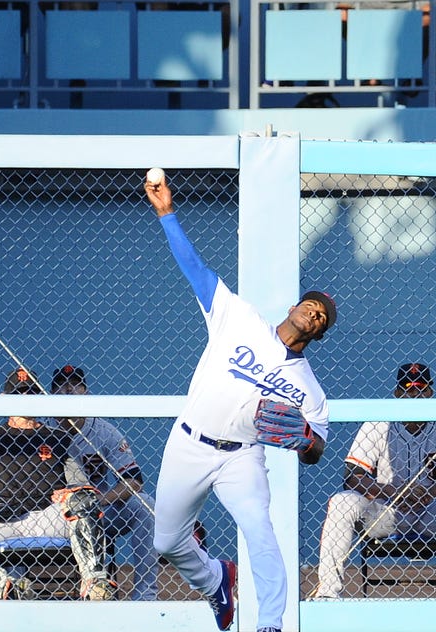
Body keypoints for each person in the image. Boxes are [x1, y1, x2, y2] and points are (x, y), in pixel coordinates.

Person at [143, 171, 335, 632]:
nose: (314, 313)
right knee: (167, 541)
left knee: (259, 530)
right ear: (293, 307)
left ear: (320, 333)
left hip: (242, 458)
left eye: (322, 318)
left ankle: (270, 623)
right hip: (189, 443)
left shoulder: (309, 387)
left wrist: (305, 439)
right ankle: (217, 581)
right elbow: (196, 269)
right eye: (310, 306)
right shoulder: (239, 318)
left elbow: (317, 448)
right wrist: (167, 212)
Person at [0, 367, 116, 600]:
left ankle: (94, 582)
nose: (26, 399)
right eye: (19, 393)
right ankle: (9, 588)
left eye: (32, 393)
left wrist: (69, 493)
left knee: (83, 499)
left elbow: (83, 489)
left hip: (47, 517)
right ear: (4, 400)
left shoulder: (59, 438)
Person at [314, 362, 436, 599]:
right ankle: (328, 593)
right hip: (387, 510)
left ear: (431, 393)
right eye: (408, 389)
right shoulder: (379, 422)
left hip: (434, 511)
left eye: (421, 388)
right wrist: (391, 491)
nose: (414, 394)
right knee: (343, 502)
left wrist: (433, 492)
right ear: (397, 393)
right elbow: (352, 477)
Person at [47, 364, 160, 600]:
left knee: (145, 505)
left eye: (75, 384)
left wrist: (97, 500)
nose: (68, 390)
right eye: (61, 386)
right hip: (51, 514)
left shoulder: (104, 431)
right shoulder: (41, 429)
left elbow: (133, 481)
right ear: (51, 395)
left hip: (99, 512)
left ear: (86, 394)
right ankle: (15, 595)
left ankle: (145, 596)